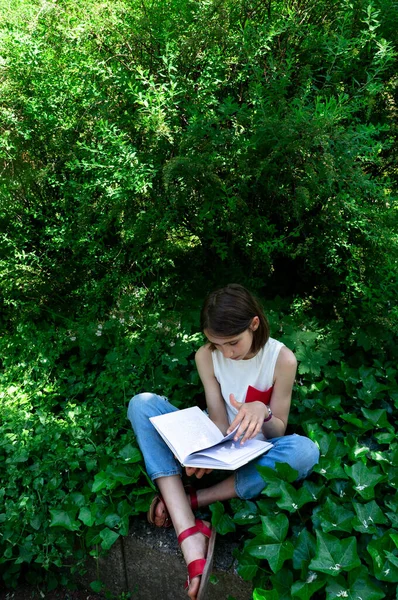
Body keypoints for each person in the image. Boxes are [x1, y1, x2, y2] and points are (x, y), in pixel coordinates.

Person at [127, 284, 319, 600]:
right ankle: (189, 531)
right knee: (142, 404)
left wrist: (263, 410)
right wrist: (204, 452)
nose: (227, 352)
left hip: (259, 452)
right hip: (220, 443)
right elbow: (217, 417)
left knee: (305, 451)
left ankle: (193, 502)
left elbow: (278, 432)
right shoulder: (207, 355)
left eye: (233, 342)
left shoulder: (281, 359)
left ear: (254, 324)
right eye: (218, 344)